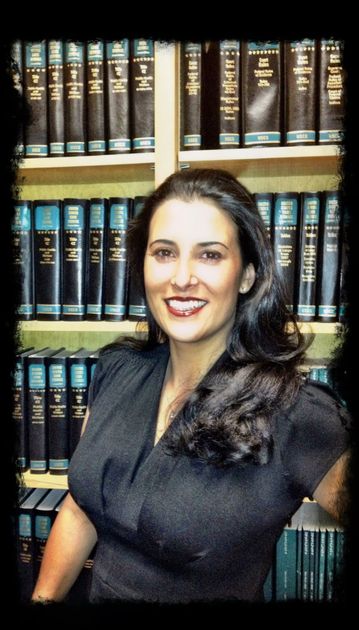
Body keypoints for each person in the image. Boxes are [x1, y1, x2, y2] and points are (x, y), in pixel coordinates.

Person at [31, 168, 351, 604]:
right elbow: (82, 507)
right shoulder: (117, 370)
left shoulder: (295, 414)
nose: (181, 277)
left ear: (247, 276)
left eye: (210, 255)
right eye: (164, 252)